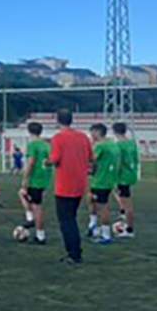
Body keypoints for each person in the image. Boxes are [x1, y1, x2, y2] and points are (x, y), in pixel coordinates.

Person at [48, 109, 93, 265]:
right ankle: (75, 252)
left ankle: (74, 253)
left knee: (67, 221)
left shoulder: (58, 138)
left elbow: (55, 159)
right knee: (71, 217)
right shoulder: (83, 137)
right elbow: (91, 158)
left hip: (64, 185)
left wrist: (46, 162)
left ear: (58, 120)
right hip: (80, 184)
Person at [17, 122, 51, 244]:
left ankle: (40, 235)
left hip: (35, 179)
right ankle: (31, 219)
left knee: (37, 207)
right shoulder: (46, 145)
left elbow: (31, 162)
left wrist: (25, 179)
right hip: (45, 179)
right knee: (24, 196)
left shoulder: (33, 145)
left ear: (29, 131)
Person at [87, 123, 119, 245]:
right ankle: (93, 224)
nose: (91, 135)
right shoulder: (112, 144)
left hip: (101, 180)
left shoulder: (100, 146)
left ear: (97, 132)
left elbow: (91, 159)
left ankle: (106, 235)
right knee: (91, 199)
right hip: (108, 179)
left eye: (92, 132)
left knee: (103, 207)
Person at [113, 122, 139, 238]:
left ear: (115, 131)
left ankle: (129, 229)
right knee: (123, 199)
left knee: (127, 205)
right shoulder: (132, 143)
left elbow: (118, 163)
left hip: (123, 176)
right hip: (131, 175)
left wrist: (115, 175)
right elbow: (136, 159)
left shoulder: (119, 145)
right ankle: (123, 216)